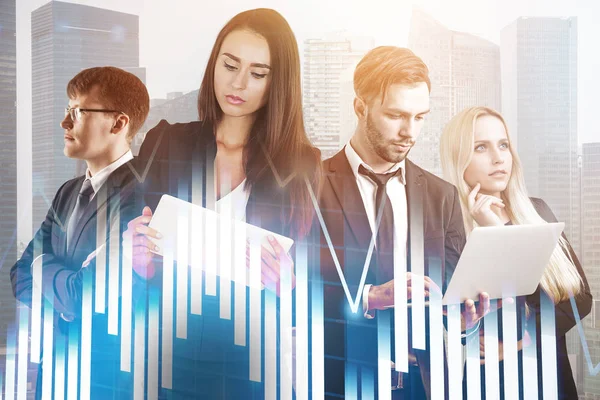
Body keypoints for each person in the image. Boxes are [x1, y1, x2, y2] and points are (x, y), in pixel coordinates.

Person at [124, 8, 321, 399]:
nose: (238, 82)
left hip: (253, 367)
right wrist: (138, 263)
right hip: (165, 358)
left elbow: (315, 285)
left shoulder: (302, 164)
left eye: (258, 73)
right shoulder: (165, 143)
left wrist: (288, 284)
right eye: (229, 64)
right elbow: (131, 270)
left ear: (277, 83)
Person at [317, 46, 490, 400]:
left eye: (420, 117)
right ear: (359, 107)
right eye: (395, 115)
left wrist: (460, 325)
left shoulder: (442, 196)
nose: (409, 132)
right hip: (339, 384)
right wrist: (370, 297)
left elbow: (449, 301)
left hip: (422, 387)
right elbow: (291, 287)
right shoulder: (309, 186)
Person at [10, 66, 150, 398]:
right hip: (55, 375)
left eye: (77, 112)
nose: (65, 123)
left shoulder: (143, 193)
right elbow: (19, 275)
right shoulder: (67, 192)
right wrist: (67, 290)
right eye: (66, 111)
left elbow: (85, 297)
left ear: (118, 123)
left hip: (110, 380)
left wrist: (43, 265)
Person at [440, 106, 593, 399]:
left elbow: (581, 301)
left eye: (504, 145)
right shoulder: (451, 233)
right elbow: (457, 324)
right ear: (459, 160)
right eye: (481, 147)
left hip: (552, 380)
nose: (498, 158)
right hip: (490, 385)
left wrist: (521, 340)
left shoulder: (537, 211)